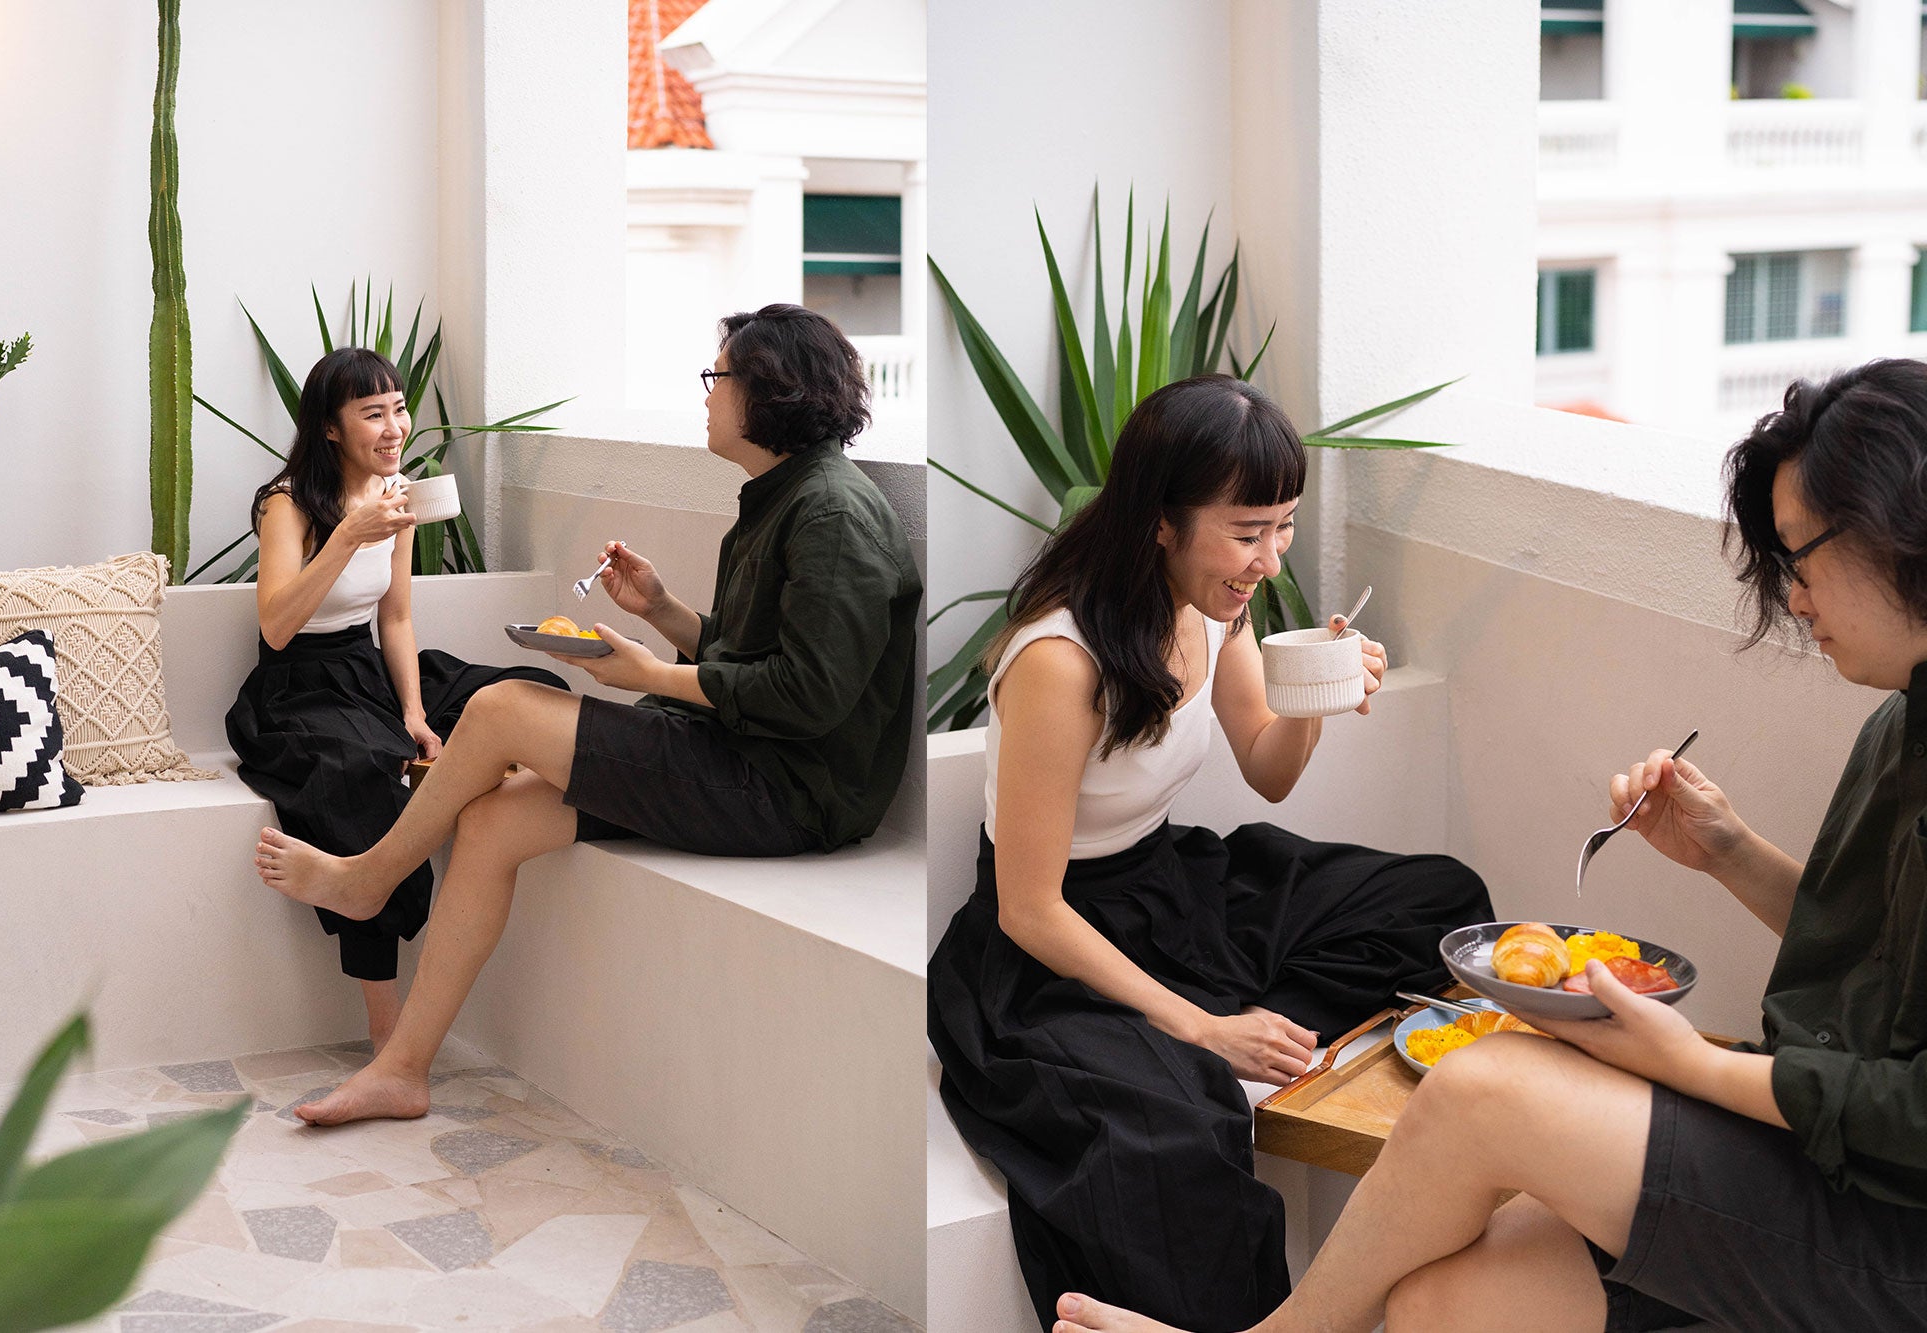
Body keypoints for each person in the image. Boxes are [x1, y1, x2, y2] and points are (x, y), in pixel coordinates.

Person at [1048, 358, 1927, 1333]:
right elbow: (1869, 942)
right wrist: (1725, 850)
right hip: (1812, 1147)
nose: (1792, 601)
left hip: (1884, 1220)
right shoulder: (1896, 721)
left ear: (1898, 528)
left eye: (1798, 561)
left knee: (1481, 1085)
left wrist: (1688, 1065)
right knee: (1441, 1298)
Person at [252, 303, 921, 1125]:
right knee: (495, 822)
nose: (707, 395)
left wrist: (650, 676)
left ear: (769, 393)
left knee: (500, 706)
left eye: (718, 378)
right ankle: (402, 1070)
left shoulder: (833, 515)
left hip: (783, 789)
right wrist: (666, 613)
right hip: (740, 754)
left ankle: (368, 876)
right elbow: (757, 658)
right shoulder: (780, 498)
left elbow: (809, 697)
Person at [927, 374, 1493, 1333]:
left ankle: (1228, 1041)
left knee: (1441, 899)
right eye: (1247, 530)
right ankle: (1198, 1056)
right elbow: (1030, 907)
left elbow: (1268, 768)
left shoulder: (1216, 602)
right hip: (1052, 942)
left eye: (1283, 526)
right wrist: (1197, 1027)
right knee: (1169, 1135)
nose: (1270, 559)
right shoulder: (1060, 657)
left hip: (1169, 883)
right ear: (1160, 519)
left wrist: (1317, 698)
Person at [225, 347, 564, 1047]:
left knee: (535, 693)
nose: (394, 427)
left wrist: (412, 710)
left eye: (399, 409)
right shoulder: (287, 504)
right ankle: (386, 1028)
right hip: (302, 685)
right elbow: (278, 625)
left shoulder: (398, 490)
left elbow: (398, 618)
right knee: (371, 789)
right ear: (329, 427)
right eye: (373, 413)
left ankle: (472, 784)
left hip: (370, 668)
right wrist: (348, 535)